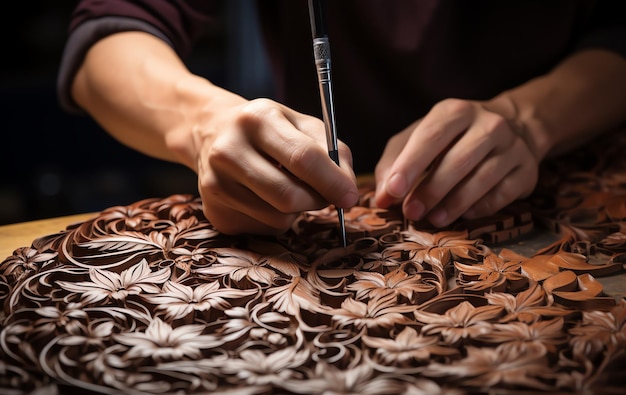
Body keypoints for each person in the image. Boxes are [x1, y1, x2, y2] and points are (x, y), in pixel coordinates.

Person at [58, 1, 626, 236]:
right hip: (318, 212)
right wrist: (206, 122)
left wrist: (529, 120)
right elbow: (105, 39)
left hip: (574, 193)